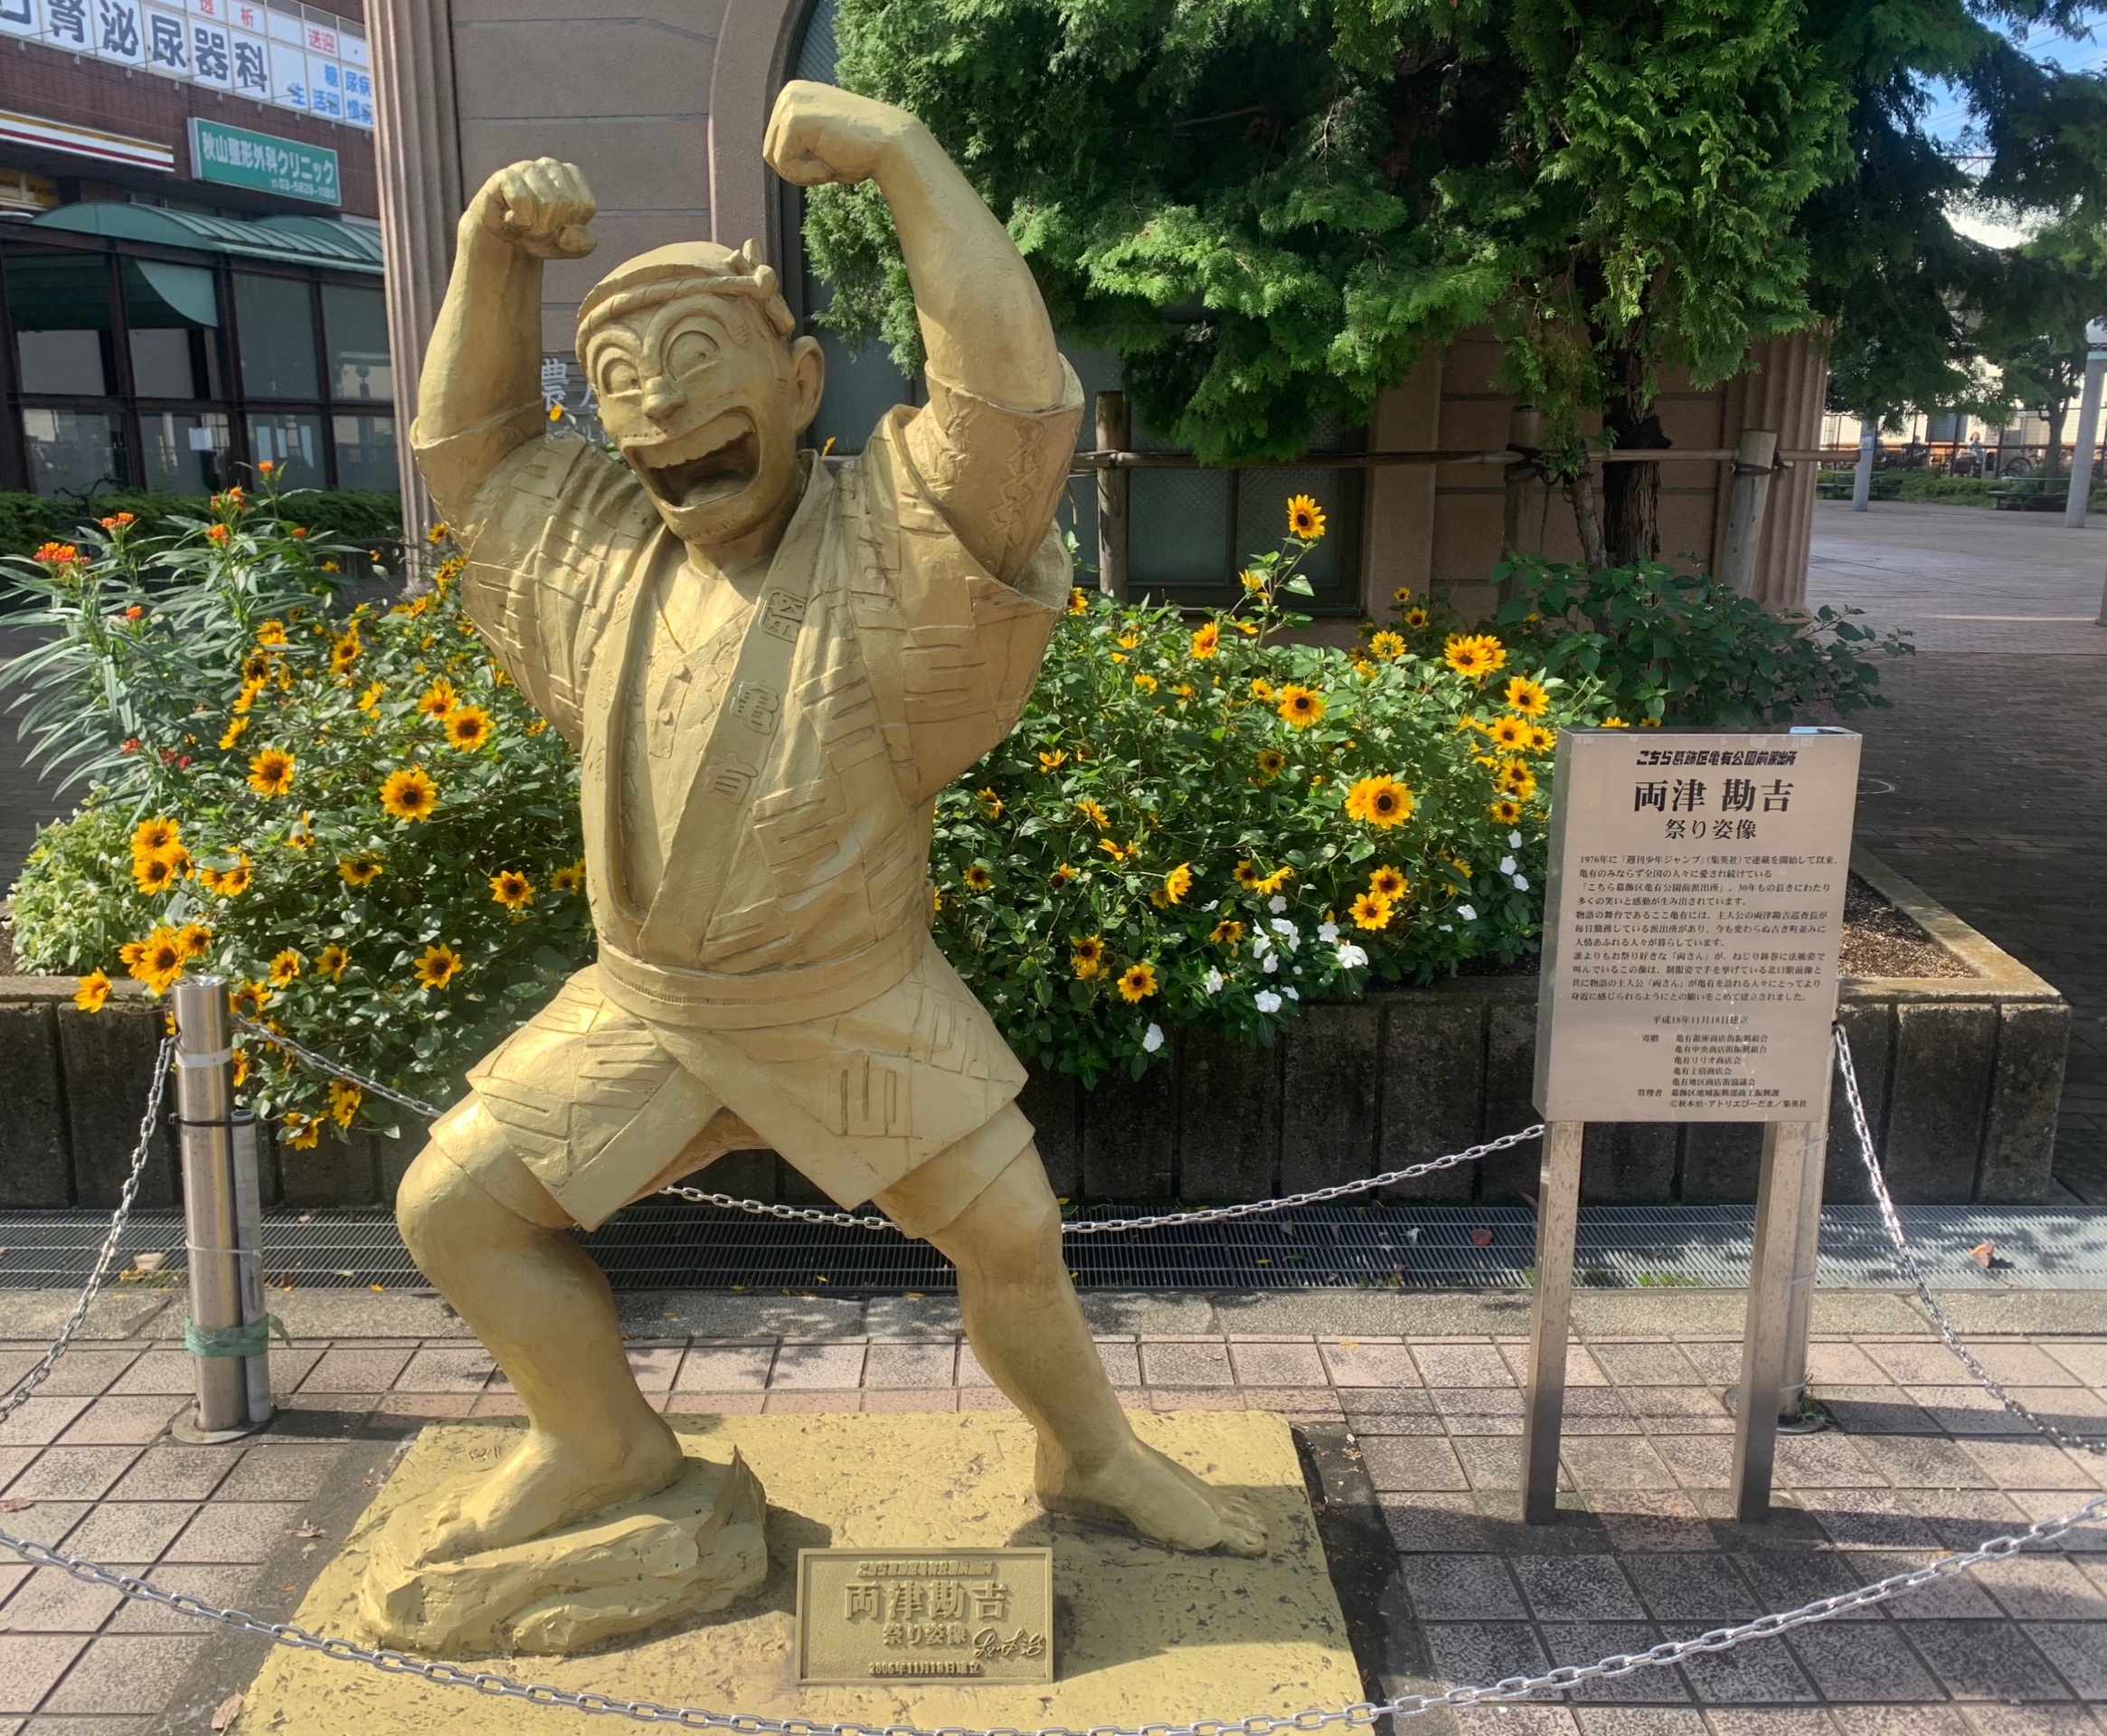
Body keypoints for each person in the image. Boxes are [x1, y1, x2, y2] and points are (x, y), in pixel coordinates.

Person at [396, 80, 1265, 1565]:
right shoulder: (601, 547)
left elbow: (1010, 405)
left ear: (800, 384)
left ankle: (1091, 1453)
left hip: (852, 1003)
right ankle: (599, 1442)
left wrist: (906, 159)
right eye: (619, 379)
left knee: (1009, 1240)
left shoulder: (895, 533)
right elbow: (471, 465)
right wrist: (490, 257)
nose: (658, 406)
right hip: (651, 1010)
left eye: (694, 362)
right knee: (453, 1213)